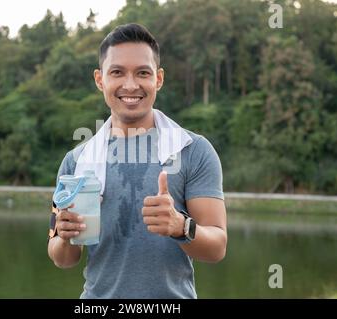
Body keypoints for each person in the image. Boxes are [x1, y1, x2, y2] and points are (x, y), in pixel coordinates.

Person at [47, 23, 227, 299]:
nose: (130, 85)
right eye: (117, 72)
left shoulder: (193, 150)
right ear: (99, 79)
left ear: (159, 79)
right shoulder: (77, 160)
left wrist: (181, 227)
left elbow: (217, 248)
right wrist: (64, 235)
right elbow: (63, 258)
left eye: (143, 73)